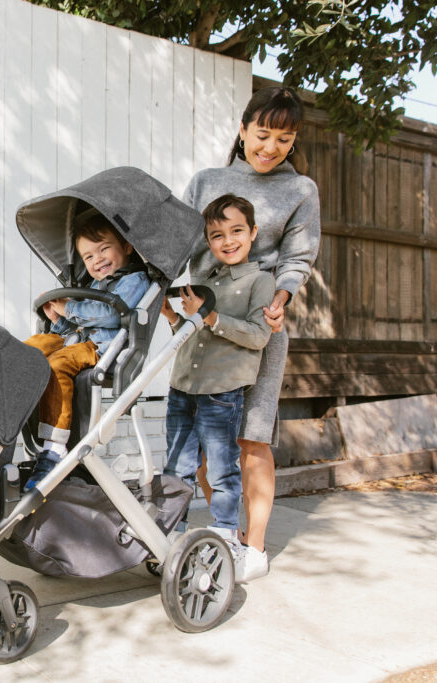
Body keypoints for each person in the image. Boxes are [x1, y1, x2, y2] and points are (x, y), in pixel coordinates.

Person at [183, 86, 321, 581]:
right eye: (263, 134)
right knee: (202, 442)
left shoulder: (300, 190)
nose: (271, 146)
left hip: (262, 325)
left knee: (252, 437)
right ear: (243, 131)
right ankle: (227, 531)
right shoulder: (207, 182)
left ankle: (254, 548)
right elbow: (179, 246)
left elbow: (297, 259)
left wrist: (281, 299)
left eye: (284, 138)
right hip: (204, 325)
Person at [161, 194, 274, 582]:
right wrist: (174, 316)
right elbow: (190, 336)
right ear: (208, 241)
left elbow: (259, 336)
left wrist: (209, 315)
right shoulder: (203, 282)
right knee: (176, 465)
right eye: (217, 235)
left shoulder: (261, 281)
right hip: (183, 387)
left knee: (222, 469)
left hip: (221, 391)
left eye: (236, 231)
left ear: (253, 232)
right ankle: (170, 537)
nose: (227, 241)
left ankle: (226, 539)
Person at [22, 208, 150, 490]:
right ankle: (9, 416)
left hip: (101, 348)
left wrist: (69, 306)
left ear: (127, 246)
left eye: (104, 249)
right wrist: (57, 319)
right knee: (27, 353)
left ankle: (54, 447)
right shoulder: (93, 284)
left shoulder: (134, 280)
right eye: (89, 257)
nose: (98, 260)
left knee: (57, 365)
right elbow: (75, 326)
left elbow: (109, 315)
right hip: (76, 341)